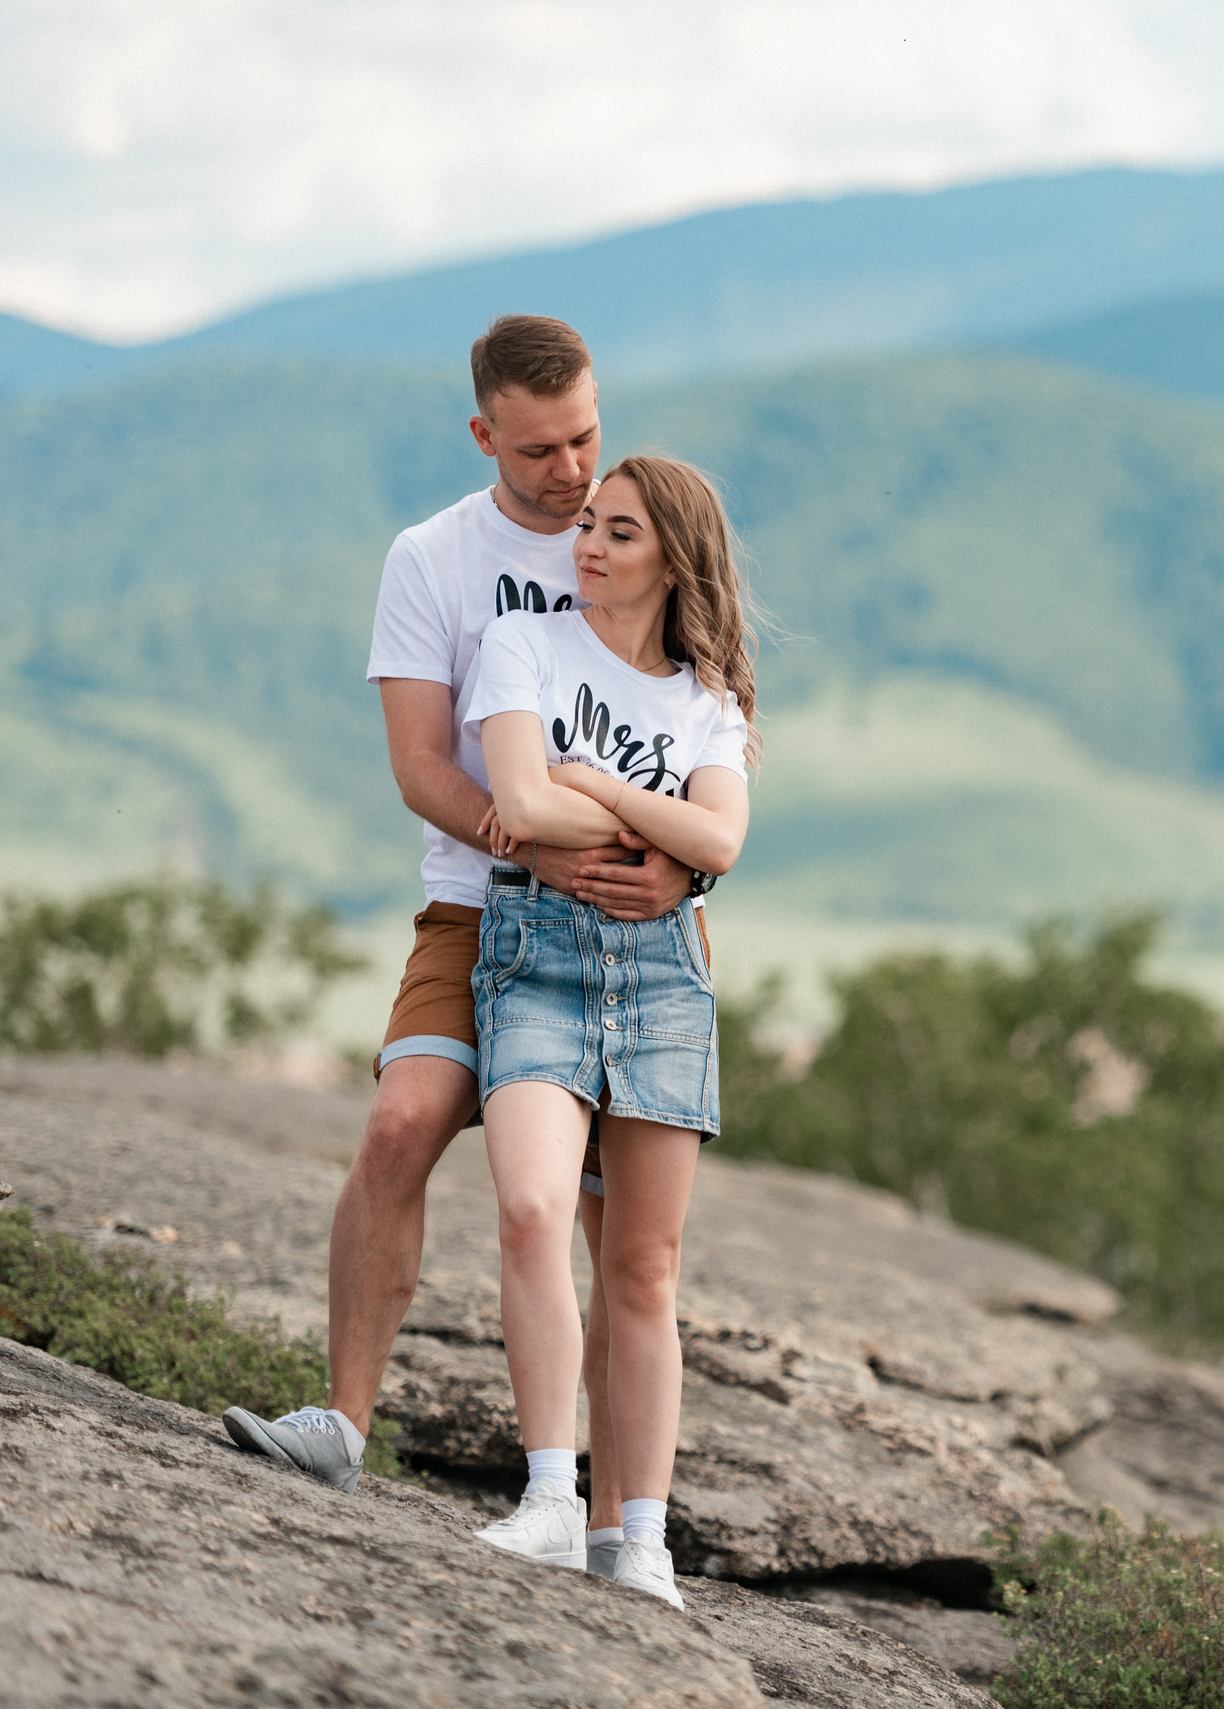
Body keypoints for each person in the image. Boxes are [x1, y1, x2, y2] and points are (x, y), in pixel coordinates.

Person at [222, 318, 698, 1503]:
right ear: (485, 433)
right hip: (474, 910)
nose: (571, 472)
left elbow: (708, 723)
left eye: (584, 436)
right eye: (539, 450)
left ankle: (617, 1512)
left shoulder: (643, 534)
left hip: (628, 926)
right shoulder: (430, 558)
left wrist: (686, 871)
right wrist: (529, 831)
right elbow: (421, 766)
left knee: (611, 1237)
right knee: (399, 1125)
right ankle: (340, 1419)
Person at [459, 455, 757, 1608]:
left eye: (618, 531)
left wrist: (606, 786)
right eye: (587, 522)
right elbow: (520, 806)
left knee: (642, 1267)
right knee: (532, 1203)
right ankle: (546, 1495)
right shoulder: (524, 642)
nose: (587, 543)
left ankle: (639, 1540)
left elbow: (721, 846)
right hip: (536, 957)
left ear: (672, 559)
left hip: (664, 977)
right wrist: (658, 828)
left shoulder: (708, 699)